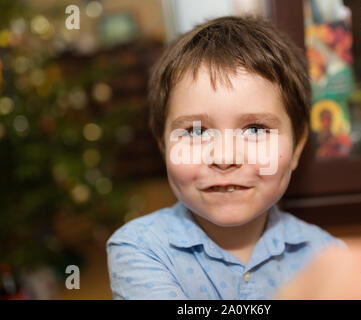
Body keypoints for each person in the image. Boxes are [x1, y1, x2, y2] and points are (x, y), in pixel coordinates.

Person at [106, 15, 345, 300]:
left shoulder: (329, 257)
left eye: (255, 129)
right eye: (195, 131)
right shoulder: (139, 249)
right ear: (164, 147)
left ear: (296, 148)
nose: (224, 157)